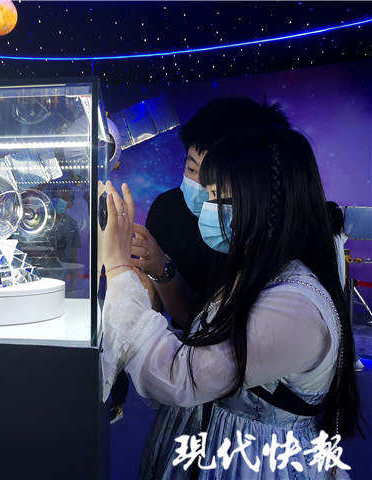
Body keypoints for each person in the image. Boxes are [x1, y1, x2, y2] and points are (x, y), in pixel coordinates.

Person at [100, 127, 362, 479]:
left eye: (215, 197)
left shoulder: (294, 306)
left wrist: (118, 266)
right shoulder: (258, 272)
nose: (205, 210)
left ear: (259, 203)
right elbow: (205, 346)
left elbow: (179, 377)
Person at [108, 97, 291, 423]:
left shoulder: (281, 277)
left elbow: (184, 376)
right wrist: (154, 271)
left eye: (211, 178)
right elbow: (193, 326)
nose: (199, 185)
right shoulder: (168, 208)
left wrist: (117, 266)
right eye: (191, 168)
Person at [327, 200, 365, 372]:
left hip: (329, 289)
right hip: (337, 290)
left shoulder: (326, 241)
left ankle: (348, 360)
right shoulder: (339, 238)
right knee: (341, 325)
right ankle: (351, 360)